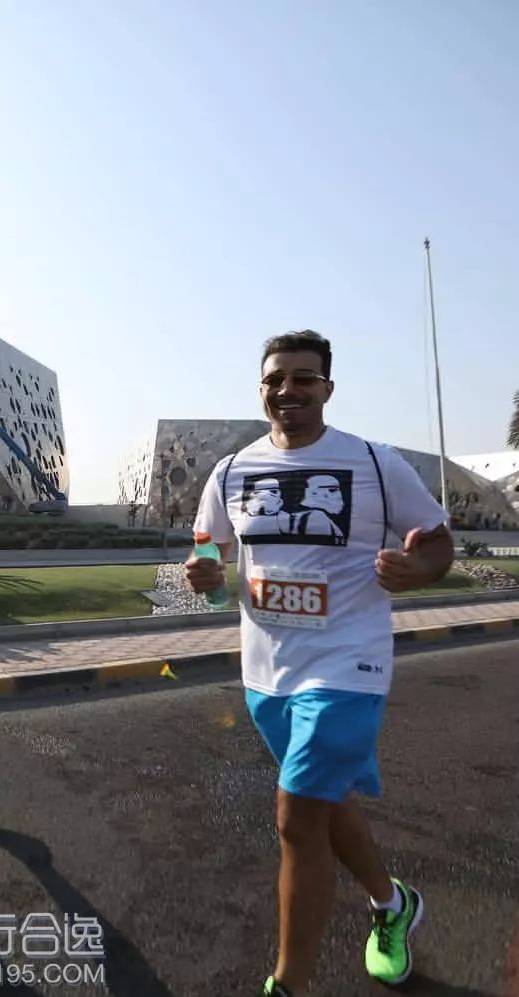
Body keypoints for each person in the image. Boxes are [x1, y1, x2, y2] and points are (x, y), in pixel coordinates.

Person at [184, 330, 453, 996]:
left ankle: (288, 984)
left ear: (327, 388)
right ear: (261, 389)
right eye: (276, 379)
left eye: (304, 378)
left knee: (296, 815)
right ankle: (392, 904)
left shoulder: (375, 463)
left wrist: (418, 568)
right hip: (266, 675)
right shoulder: (231, 471)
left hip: (348, 666)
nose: (289, 390)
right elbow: (212, 553)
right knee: (324, 806)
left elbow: (437, 540)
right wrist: (206, 576)